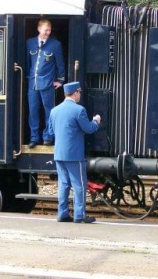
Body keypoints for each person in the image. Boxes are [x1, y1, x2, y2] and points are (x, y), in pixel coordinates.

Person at [49, 81, 101, 223]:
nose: (80, 95)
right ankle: (80, 215)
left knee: (64, 184)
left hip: (59, 154)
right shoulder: (79, 110)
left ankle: (62, 214)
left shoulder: (54, 111)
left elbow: (50, 131)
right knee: (79, 185)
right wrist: (96, 121)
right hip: (74, 155)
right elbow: (89, 128)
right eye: (79, 92)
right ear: (76, 93)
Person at [26, 19, 66, 148]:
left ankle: (48, 137)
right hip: (33, 83)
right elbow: (28, 62)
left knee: (49, 111)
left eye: (49, 30)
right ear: (39, 29)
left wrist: (60, 80)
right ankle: (34, 138)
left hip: (48, 83)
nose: (48, 32)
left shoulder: (55, 44)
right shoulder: (30, 42)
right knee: (33, 111)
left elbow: (60, 64)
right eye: (46, 30)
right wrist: (28, 77)